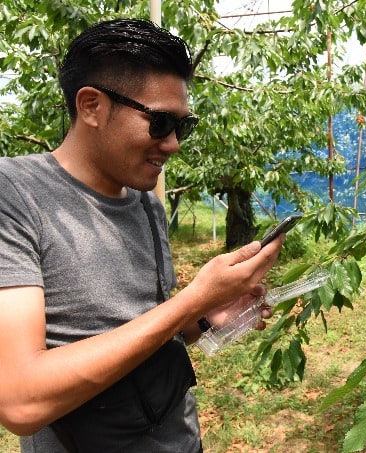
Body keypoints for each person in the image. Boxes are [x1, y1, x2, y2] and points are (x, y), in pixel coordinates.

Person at [0, 19, 284, 453]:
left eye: (181, 127)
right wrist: (193, 299)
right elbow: (20, 401)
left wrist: (206, 316)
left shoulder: (145, 202)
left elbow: (145, 328)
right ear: (92, 106)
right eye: (160, 122)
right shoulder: (16, 195)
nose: (172, 144)